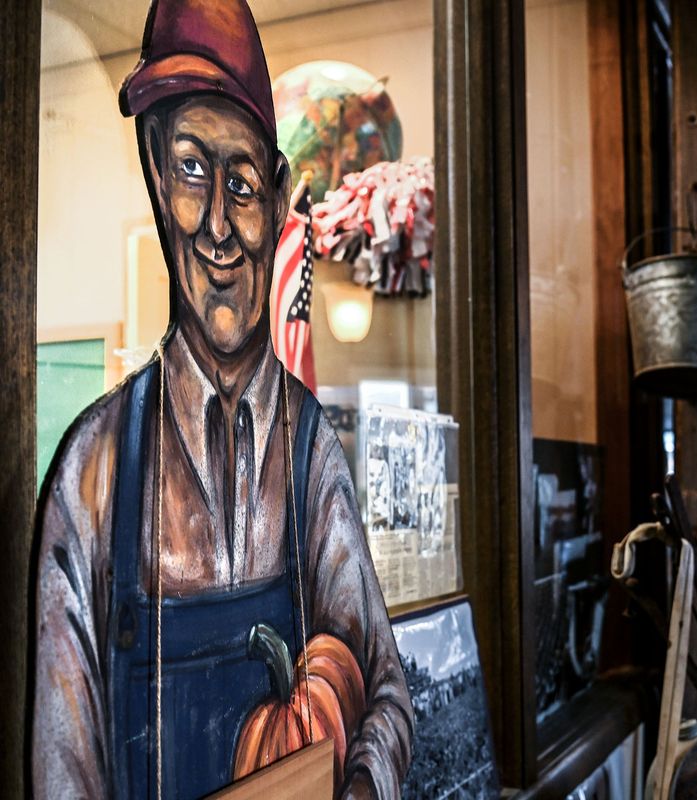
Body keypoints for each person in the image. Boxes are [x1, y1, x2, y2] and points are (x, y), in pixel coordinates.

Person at [30, 2, 413, 797]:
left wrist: (363, 780)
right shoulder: (92, 473)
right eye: (192, 171)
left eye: (240, 183)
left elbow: (387, 695)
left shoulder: (311, 453)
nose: (217, 229)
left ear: (277, 202)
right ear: (154, 173)